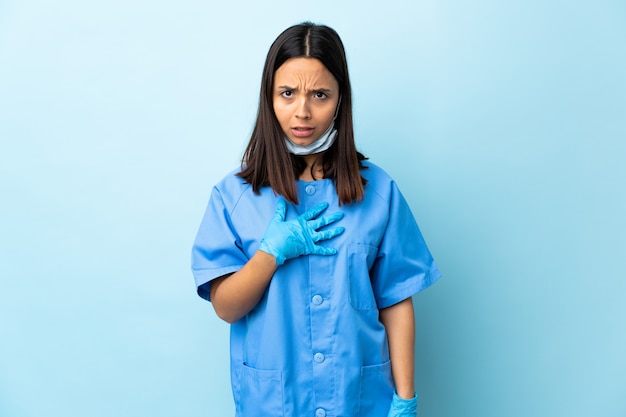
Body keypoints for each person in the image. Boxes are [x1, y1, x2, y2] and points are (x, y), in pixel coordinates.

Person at [191, 21, 441, 417]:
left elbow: (396, 301)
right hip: (275, 402)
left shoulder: (378, 192)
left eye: (320, 95)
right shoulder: (235, 195)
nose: (302, 112)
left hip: (359, 399)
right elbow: (226, 307)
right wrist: (269, 254)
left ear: (341, 100)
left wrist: (405, 398)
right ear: (268, 98)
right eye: (287, 93)